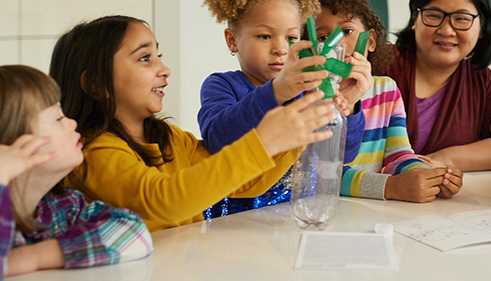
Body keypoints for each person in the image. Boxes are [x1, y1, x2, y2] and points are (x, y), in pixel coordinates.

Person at [50, 15, 336, 232]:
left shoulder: (170, 138)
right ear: (96, 84)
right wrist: (264, 141)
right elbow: (164, 200)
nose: (164, 69)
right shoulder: (91, 152)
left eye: (158, 56)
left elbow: (242, 184)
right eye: (145, 58)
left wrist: (297, 134)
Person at [198, 0, 366, 217]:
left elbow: (339, 158)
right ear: (232, 40)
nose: (280, 48)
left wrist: (347, 106)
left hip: (297, 218)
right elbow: (218, 138)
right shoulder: (221, 85)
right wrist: (277, 91)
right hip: (233, 224)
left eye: (291, 38)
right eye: (265, 36)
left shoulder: (309, 89)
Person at [0, 65, 152, 278]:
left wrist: (31, 258)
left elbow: (135, 232)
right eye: (57, 118)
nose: (72, 122)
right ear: (14, 141)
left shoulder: (62, 207)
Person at [314, 0, 463, 202]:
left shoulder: (387, 90)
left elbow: (398, 154)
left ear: (371, 41)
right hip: (326, 209)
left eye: (346, 31)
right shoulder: (311, 93)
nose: (336, 43)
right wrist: (389, 187)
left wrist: (426, 176)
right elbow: (320, 172)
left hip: (372, 213)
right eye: (323, 36)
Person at [386, 0, 491, 171]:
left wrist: (444, 159)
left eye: (461, 19)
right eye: (434, 16)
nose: (446, 30)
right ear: (414, 18)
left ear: (481, 28)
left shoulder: (483, 83)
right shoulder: (380, 64)